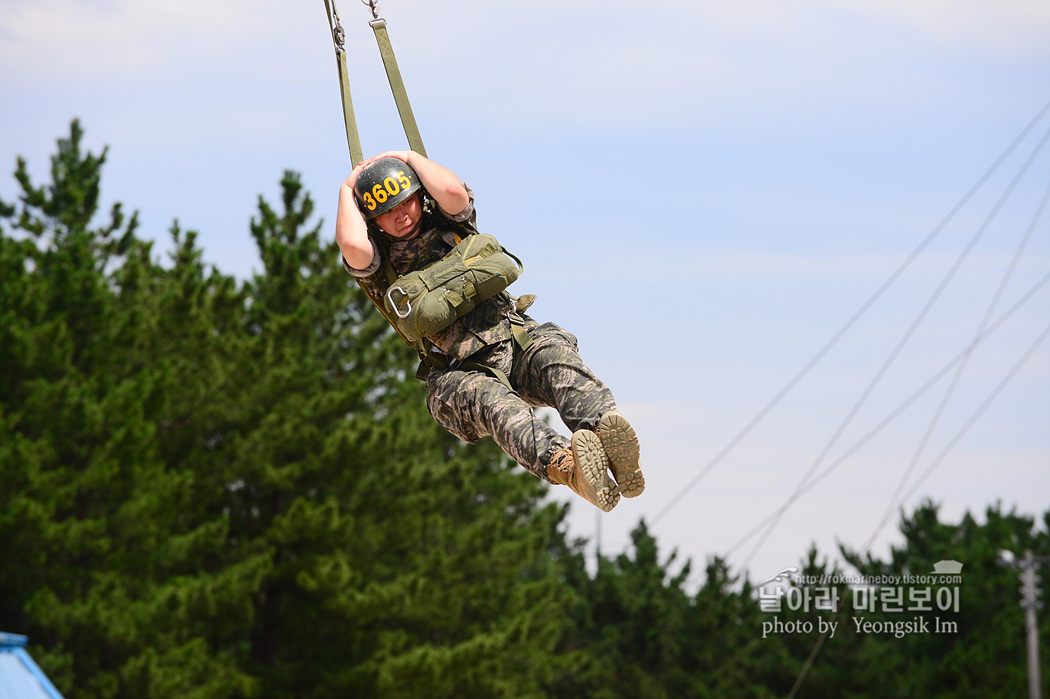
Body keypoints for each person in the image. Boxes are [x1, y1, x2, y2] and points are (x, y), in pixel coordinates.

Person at [335, 150, 644, 511]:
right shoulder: (381, 267)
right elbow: (352, 244)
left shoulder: (453, 226)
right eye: (385, 212)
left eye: (405, 202)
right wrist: (347, 188)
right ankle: (570, 468)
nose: (399, 215)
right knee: (494, 404)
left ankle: (607, 436)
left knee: (554, 352)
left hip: (515, 342)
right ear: (372, 220)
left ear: (419, 195)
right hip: (459, 375)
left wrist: (408, 156)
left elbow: (452, 190)